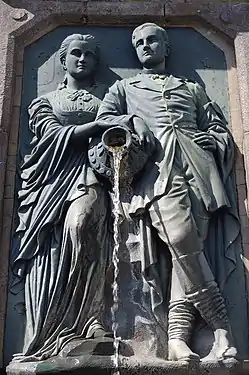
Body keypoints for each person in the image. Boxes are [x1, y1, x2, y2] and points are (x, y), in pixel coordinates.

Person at [96, 23, 239, 361]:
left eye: (152, 41)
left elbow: (216, 126)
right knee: (181, 241)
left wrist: (213, 139)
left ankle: (177, 339)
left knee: (186, 257)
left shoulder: (190, 88)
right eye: (139, 43)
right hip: (158, 171)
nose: (146, 46)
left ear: (165, 47)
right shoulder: (123, 88)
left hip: (199, 170)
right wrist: (133, 120)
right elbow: (105, 119)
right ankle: (222, 330)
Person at [11, 34, 112, 361]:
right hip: (49, 183)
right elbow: (54, 136)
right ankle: (50, 331)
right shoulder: (45, 102)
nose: (82, 59)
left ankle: (90, 319)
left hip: (87, 177)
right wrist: (101, 125)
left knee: (82, 228)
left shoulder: (104, 104)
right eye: (76, 54)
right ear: (63, 60)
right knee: (51, 255)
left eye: (89, 55)